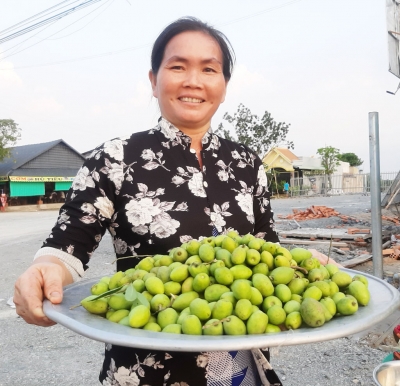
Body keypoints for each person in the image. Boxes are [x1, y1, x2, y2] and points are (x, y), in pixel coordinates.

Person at [14, 17, 283, 385]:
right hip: (146, 369)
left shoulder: (247, 164)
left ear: (223, 85)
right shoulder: (114, 158)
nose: (193, 80)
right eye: (177, 66)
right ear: (154, 80)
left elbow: (269, 251)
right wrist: (44, 269)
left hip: (238, 366)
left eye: (209, 69)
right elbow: (66, 247)